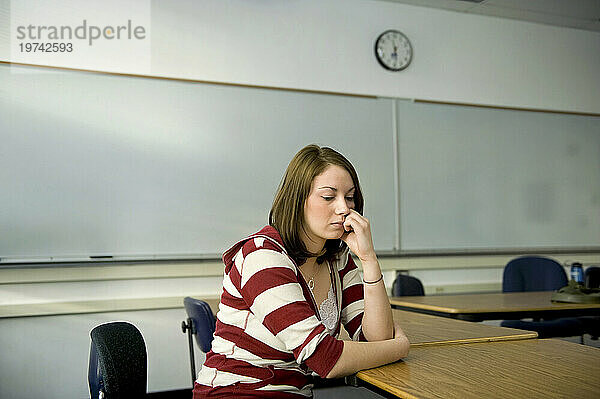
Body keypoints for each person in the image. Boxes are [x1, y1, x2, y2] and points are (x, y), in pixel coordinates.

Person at [193, 144, 409, 398]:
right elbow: (326, 359)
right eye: (329, 197)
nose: (343, 208)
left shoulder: (337, 258)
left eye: (349, 197)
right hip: (236, 392)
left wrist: (369, 259)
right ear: (297, 200)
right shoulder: (263, 256)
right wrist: (400, 347)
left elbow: (374, 339)